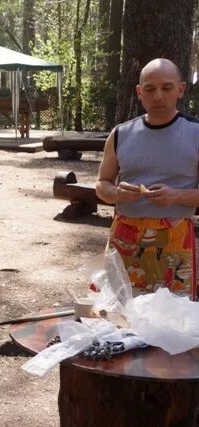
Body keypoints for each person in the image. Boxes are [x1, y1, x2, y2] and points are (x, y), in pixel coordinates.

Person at [96, 58, 198, 301]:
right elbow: (102, 184)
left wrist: (177, 195)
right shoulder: (121, 134)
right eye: (150, 89)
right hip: (125, 237)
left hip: (175, 241)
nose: (158, 96)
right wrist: (116, 193)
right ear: (139, 92)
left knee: (173, 320)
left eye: (167, 87)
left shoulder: (195, 133)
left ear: (181, 89)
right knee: (118, 312)